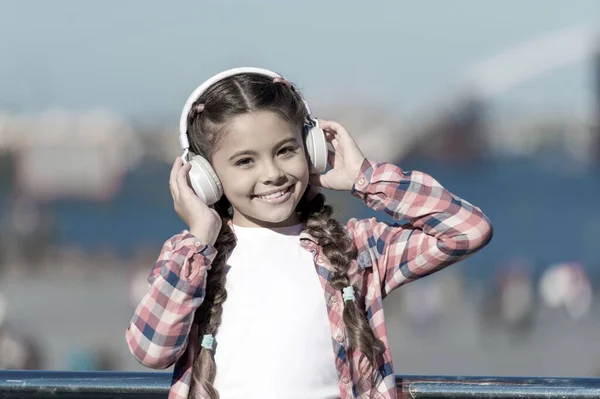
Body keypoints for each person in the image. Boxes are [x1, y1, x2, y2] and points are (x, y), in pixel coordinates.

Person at [125, 67, 493, 399]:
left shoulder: (357, 248)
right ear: (204, 177)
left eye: (285, 151)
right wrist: (200, 237)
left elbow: (467, 230)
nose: (272, 173)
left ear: (311, 149)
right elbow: (151, 350)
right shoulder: (191, 258)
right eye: (245, 161)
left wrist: (365, 179)